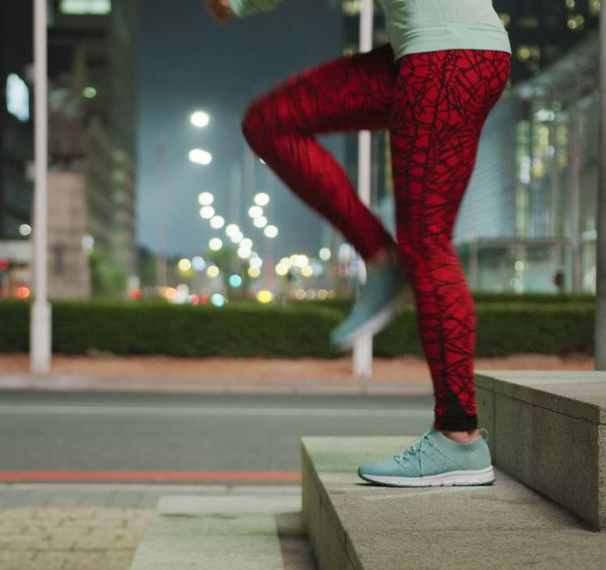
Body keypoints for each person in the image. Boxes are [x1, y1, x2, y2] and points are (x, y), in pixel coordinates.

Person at [205, 0, 511, 488]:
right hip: (432, 54)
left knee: (427, 243)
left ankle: (459, 436)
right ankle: (381, 257)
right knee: (271, 120)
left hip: (449, 56)